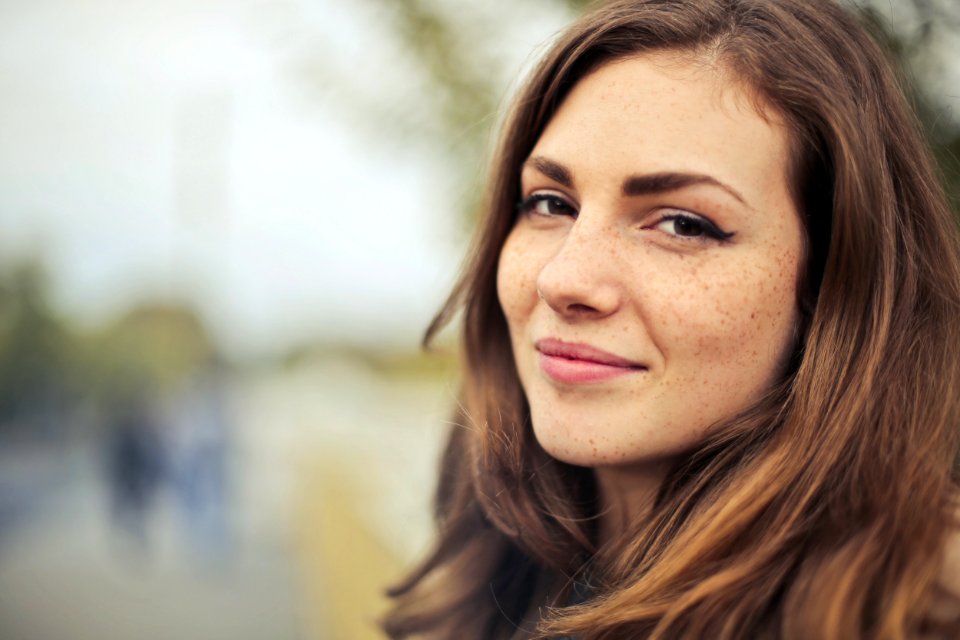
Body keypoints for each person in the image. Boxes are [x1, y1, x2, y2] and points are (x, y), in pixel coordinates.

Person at [383, 0, 960, 637]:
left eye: (682, 223)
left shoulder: (911, 613)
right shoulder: (497, 583)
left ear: (832, 286)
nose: (564, 280)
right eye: (550, 203)